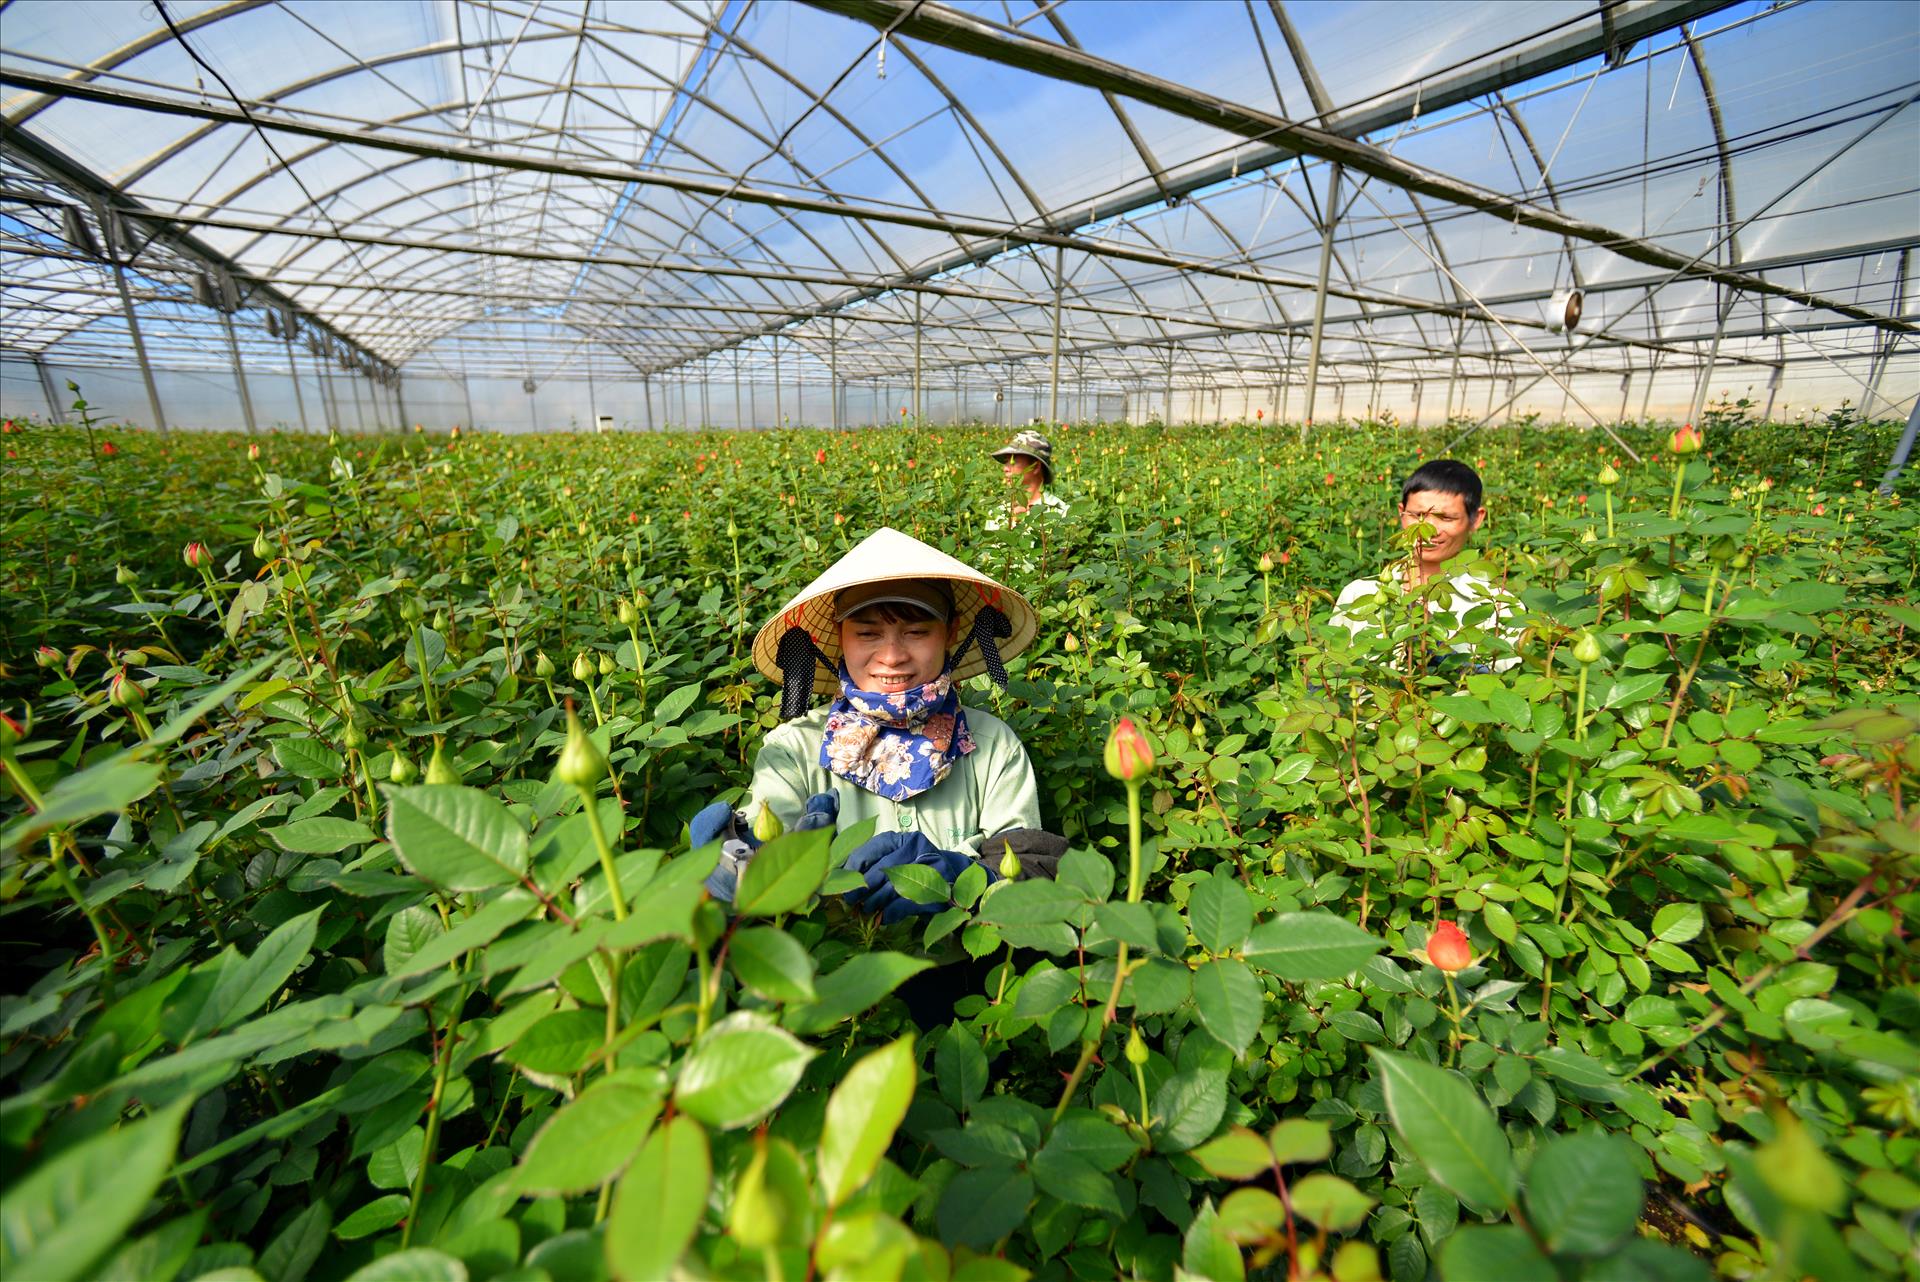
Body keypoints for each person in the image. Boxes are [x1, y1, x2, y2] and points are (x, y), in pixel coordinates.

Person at [691, 527, 1059, 922]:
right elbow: (758, 850)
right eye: (867, 633)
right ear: (840, 636)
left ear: (951, 633)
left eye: (916, 632)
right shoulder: (793, 751)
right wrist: (735, 865)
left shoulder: (992, 746)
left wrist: (965, 878)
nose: (892, 656)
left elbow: (1029, 876)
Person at [1328, 459, 1520, 673]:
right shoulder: (1358, 594)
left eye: (1446, 517)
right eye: (1418, 516)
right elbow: (1331, 676)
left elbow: (1506, 684)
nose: (1429, 530)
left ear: (1476, 519)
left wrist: (1441, 652)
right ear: (1401, 513)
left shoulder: (1500, 607)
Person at [987, 429, 1069, 530]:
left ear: (1036, 467)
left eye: (1013, 461)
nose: (1005, 468)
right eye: (1006, 461)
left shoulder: (1062, 513)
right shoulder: (996, 513)